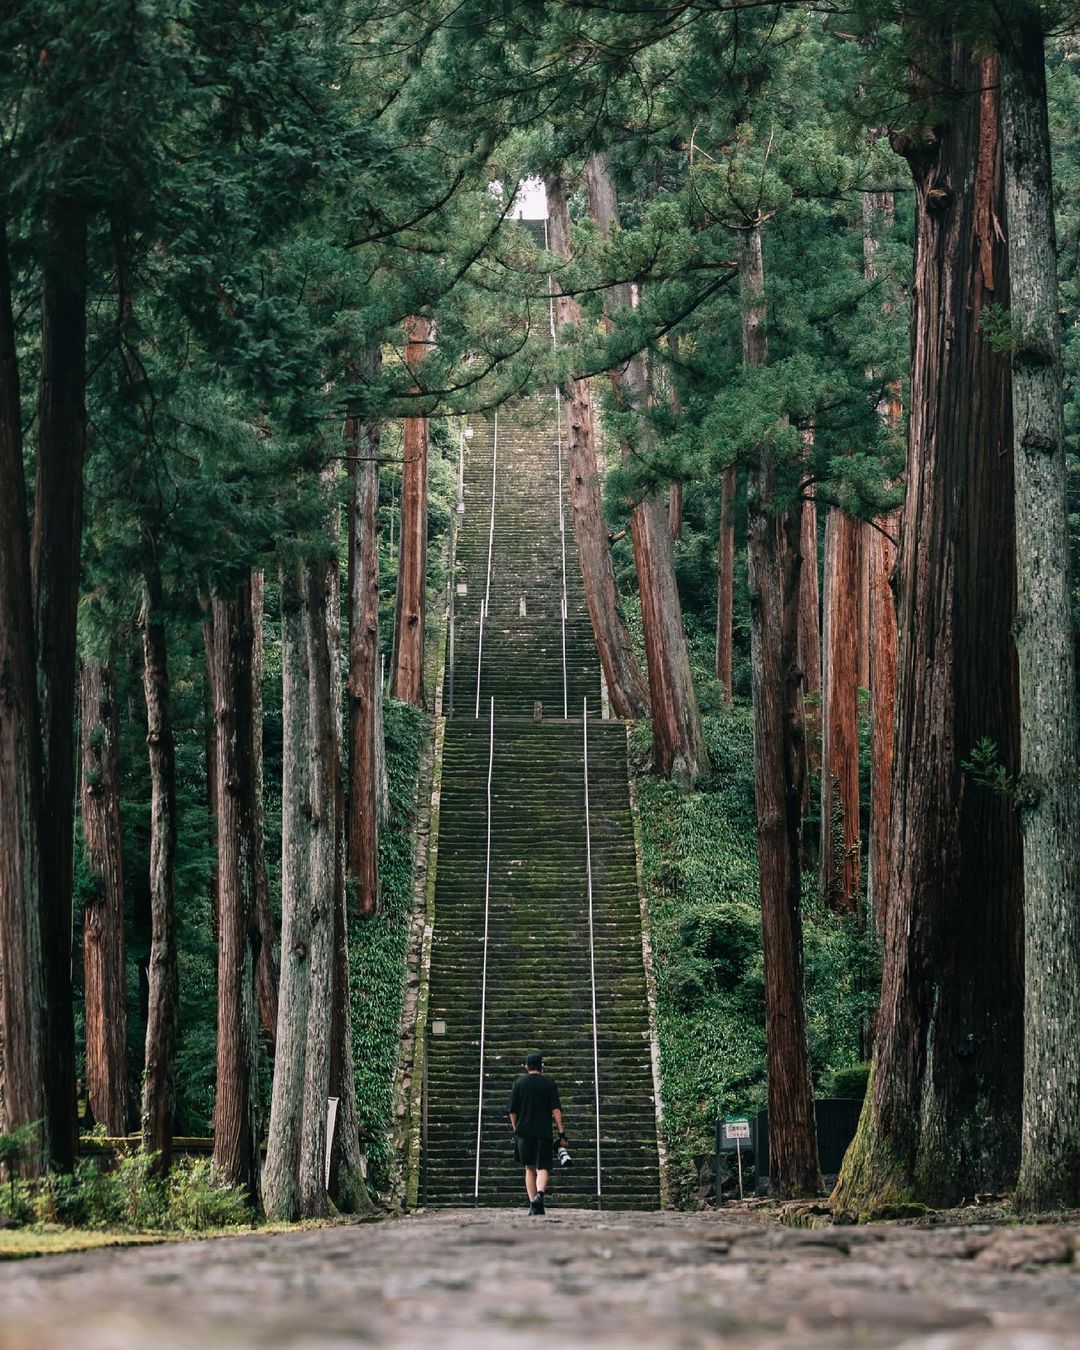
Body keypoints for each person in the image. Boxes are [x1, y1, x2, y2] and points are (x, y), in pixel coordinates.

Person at [506, 1051, 566, 1215]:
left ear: (526, 1067)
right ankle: (540, 1195)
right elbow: (556, 1109)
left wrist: (516, 1128)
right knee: (542, 1166)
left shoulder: (519, 1083)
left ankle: (533, 1204)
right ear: (542, 1067)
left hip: (523, 1132)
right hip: (543, 1132)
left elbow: (512, 1111)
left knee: (529, 1168)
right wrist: (561, 1131)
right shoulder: (549, 1083)